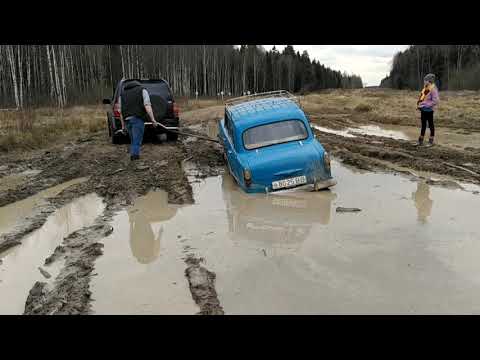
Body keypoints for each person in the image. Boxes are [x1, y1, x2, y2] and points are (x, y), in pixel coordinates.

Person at [119, 80, 159, 160]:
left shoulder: (122, 94)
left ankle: (133, 157)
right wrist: (153, 119)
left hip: (127, 120)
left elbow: (120, 111)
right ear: (138, 85)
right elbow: (147, 105)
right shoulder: (142, 90)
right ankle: (135, 158)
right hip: (137, 119)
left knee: (133, 140)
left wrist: (123, 126)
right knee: (137, 141)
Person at [416, 73, 440, 146]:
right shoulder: (425, 89)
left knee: (431, 125)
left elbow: (435, 101)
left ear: (429, 81)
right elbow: (422, 99)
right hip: (423, 110)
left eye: (425, 80)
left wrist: (426, 105)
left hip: (429, 110)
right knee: (423, 125)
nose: (424, 81)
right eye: (424, 80)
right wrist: (419, 105)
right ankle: (420, 141)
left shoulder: (433, 89)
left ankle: (431, 141)